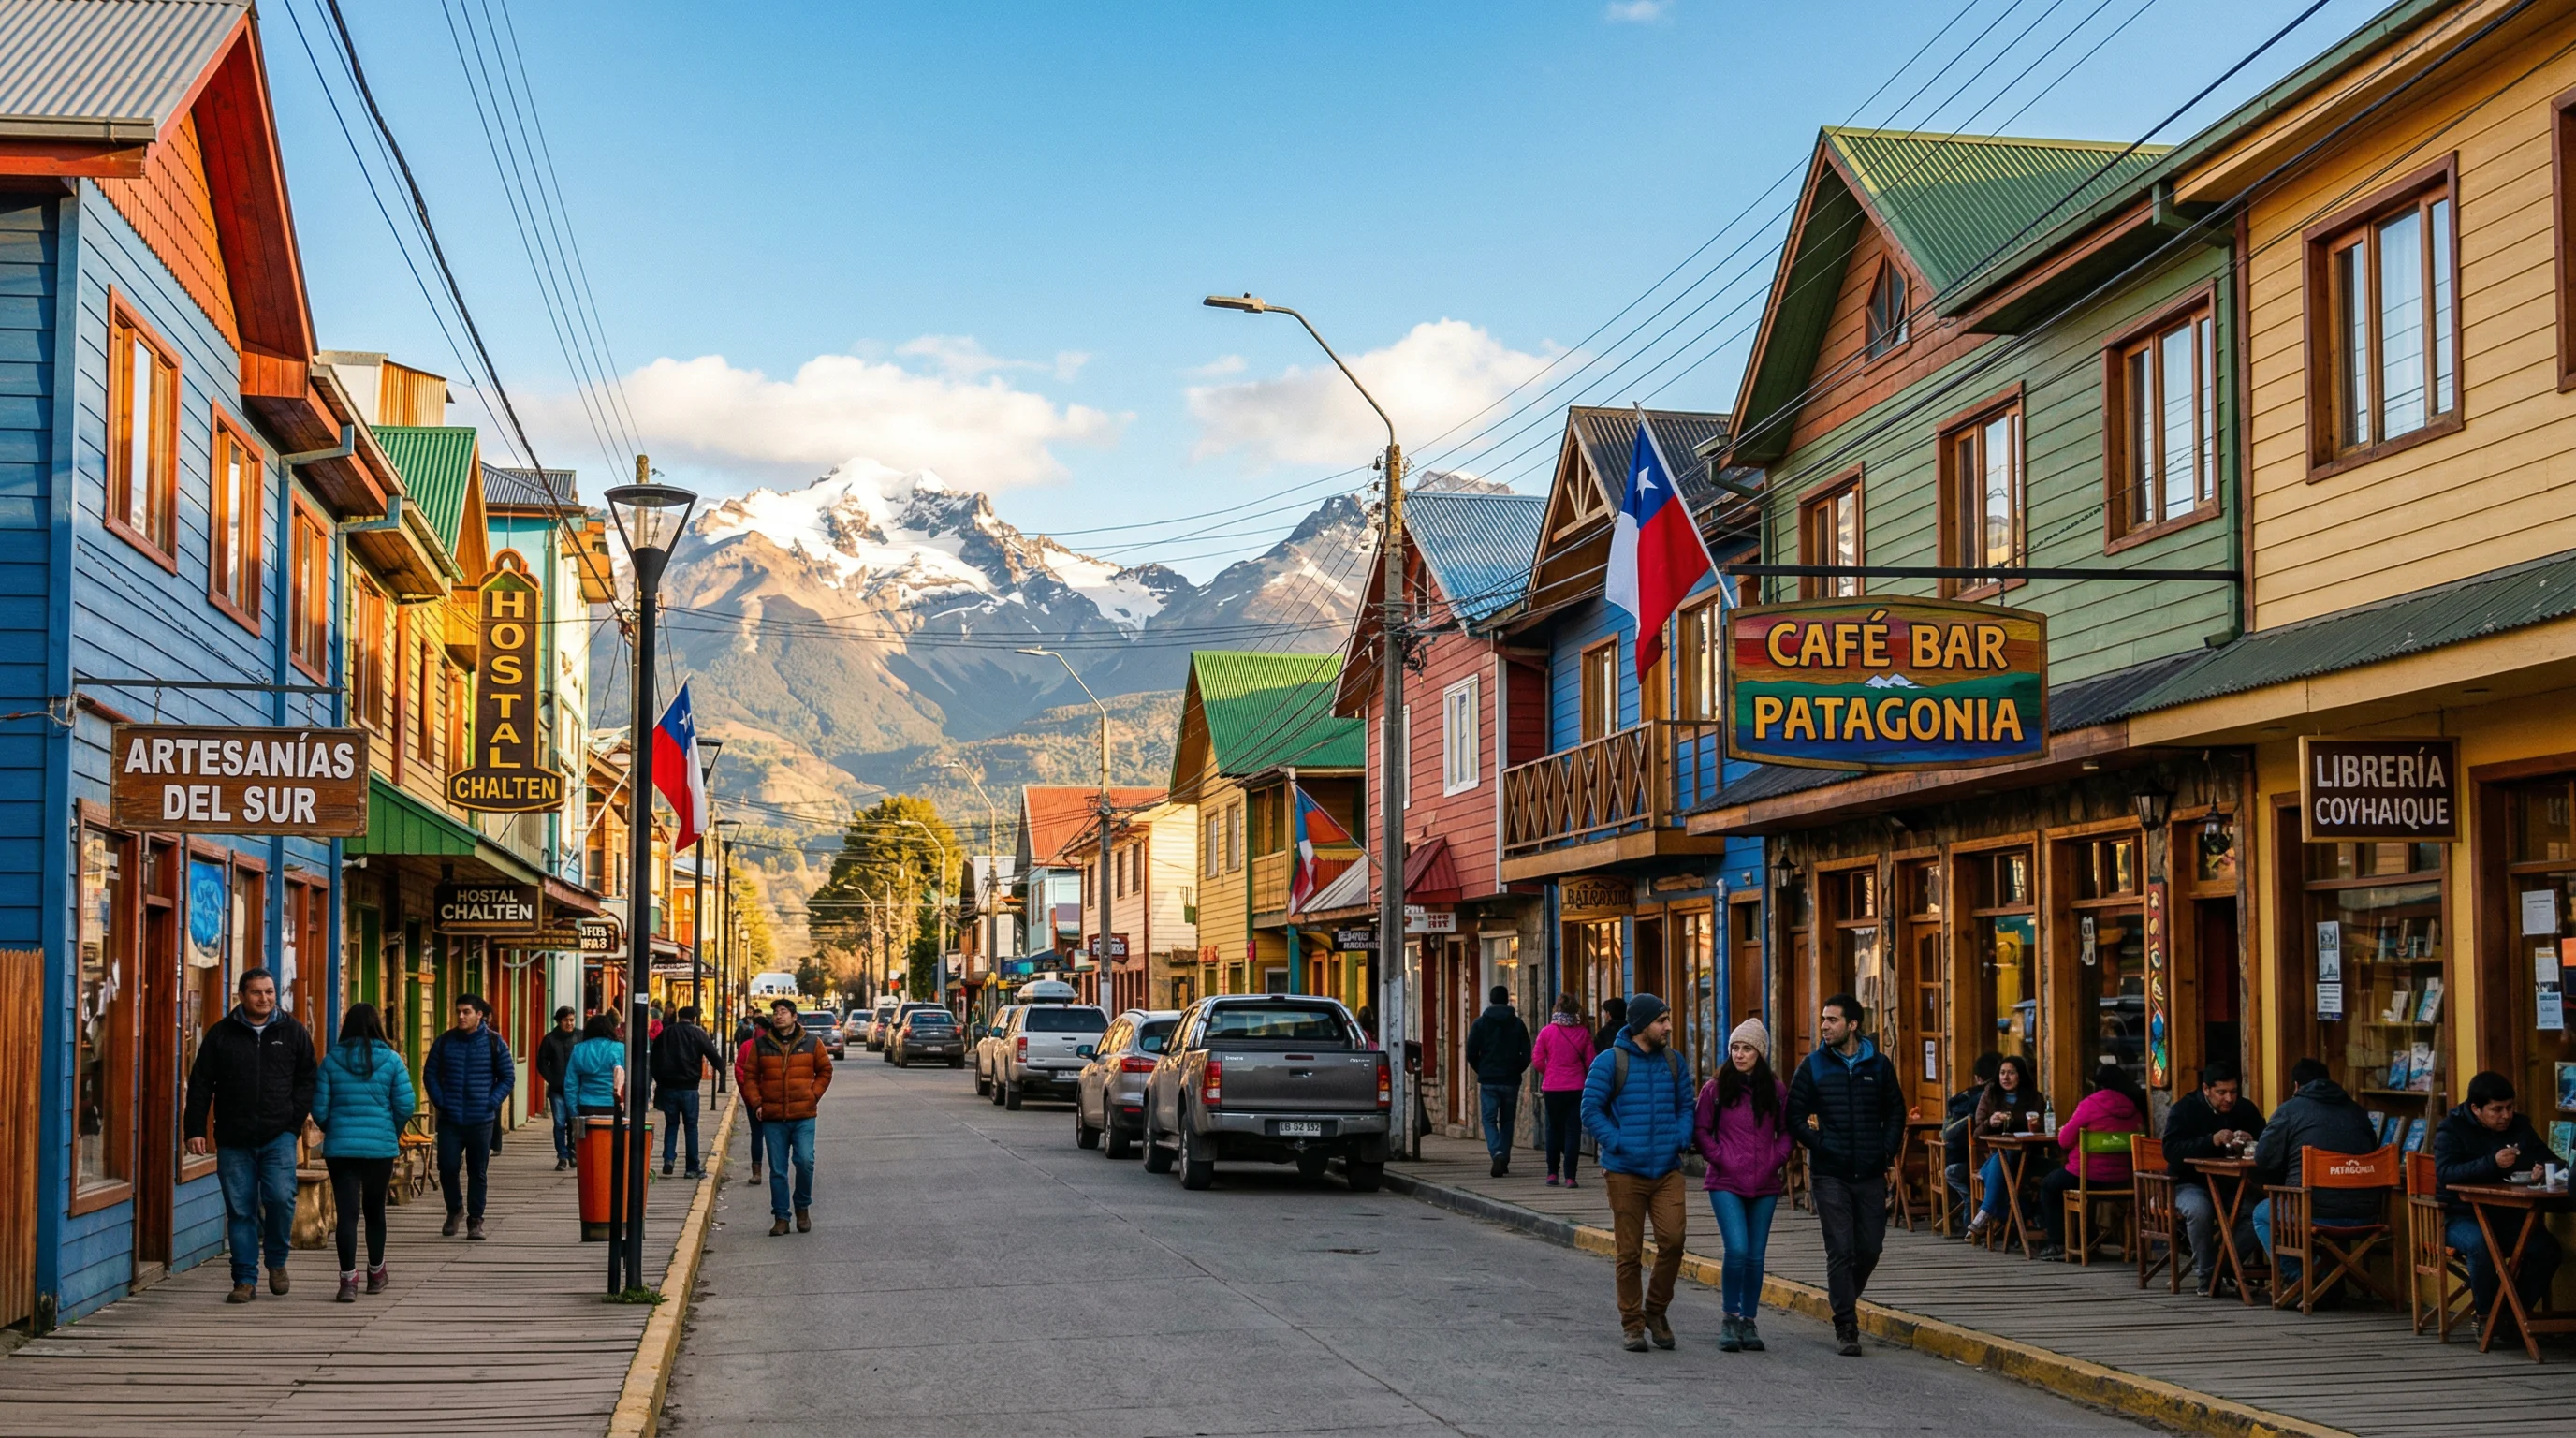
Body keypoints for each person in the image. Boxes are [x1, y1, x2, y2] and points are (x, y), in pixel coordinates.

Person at [182, 968, 318, 1304]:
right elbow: (200, 1084)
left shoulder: (293, 1032)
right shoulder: (221, 1035)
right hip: (233, 1138)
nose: (265, 999)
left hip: (278, 1136)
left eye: (270, 992)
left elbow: (307, 1081)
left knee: (281, 1199)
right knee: (240, 1209)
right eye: (257, 993)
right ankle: (244, 1279)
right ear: (242, 996)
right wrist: (194, 1129)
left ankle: (276, 1261)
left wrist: (292, 1122)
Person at [1785, 992, 1905, 1357]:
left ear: (1852, 1025)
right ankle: (1846, 1325)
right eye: (1823, 1019)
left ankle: (1843, 1298)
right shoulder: (1814, 1066)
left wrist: (1885, 1150)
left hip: (1870, 1172)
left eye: (1832, 1020)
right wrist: (1821, 1145)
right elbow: (1792, 1115)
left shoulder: (1879, 1065)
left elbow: (1896, 1111)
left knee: (1869, 1248)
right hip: (1830, 1173)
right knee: (1841, 1247)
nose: (1824, 1026)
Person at [1580, 993, 1692, 1353]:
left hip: (1666, 1170)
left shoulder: (1674, 1062)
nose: (1669, 1027)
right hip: (1625, 1172)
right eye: (1662, 1021)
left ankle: (1656, 1310)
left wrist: (1680, 1136)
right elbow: (1590, 1109)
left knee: (1673, 1242)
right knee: (1628, 1252)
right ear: (1643, 1024)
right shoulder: (1609, 1062)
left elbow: (1686, 1106)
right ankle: (1633, 1324)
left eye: (1668, 1019)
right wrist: (1617, 1142)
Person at [2432, 1071, 2569, 1330]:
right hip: (2461, 1215)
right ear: (2476, 1109)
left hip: (2510, 1215)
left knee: (2546, 1249)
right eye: (2497, 1109)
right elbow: (2446, 1173)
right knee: (2481, 1246)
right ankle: (2488, 1319)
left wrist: (2543, 1169)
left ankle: (2507, 1315)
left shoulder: (2520, 1126)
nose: (2506, 1115)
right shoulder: (2451, 1129)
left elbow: (2553, 1159)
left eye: (2509, 1107)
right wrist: (2491, 1163)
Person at [1694, 1017, 1793, 1354]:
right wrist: (1721, 1157)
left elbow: (1788, 1131)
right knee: (1736, 1249)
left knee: (1755, 1256)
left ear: (1760, 1053)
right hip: (1725, 1180)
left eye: (1746, 1048)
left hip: (1764, 1182)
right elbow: (1702, 1130)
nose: (1739, 1054)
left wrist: (1774, 1159)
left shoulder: (1776, 1091)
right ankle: (1729, 1318)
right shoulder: (1716, 1089)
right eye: (1735, 1048)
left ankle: (1749, 1321)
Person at [309, 1003, 416, 1302]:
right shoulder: (393, 1061)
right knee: (374, 1212)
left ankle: (347, 1281)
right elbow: (405, 1105)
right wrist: (390, 1132)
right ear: (377, 1025)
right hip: (379, 1148)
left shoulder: (331, 1061)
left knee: (347, 1214)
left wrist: (337, 1128)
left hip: (340, 1150)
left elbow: (318, 1109)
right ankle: (376, 1273)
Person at [2251, 1057, 2382, 1299]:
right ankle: (2330, 1280)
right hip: (2367, 1214)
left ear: (2296, 1086)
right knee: (2314, 1205)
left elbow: (2263, 1158)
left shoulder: (2289, 1110)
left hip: (2314, 1213)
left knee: (2262, 1214)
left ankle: (2306, 1278)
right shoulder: (2357, 1110)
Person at [2160, 1061, 2266, 1294]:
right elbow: (2171, 1151)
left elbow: (2268, 1142)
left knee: (2259, 1212)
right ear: (2206, 1089)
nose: (2229, 1098)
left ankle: (2222, 1269)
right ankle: (2207, 1279)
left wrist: (2252, 1141)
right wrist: (2211, 1140)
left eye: (2234, 1092)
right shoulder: (2185, 1109)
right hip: (2188, 1184)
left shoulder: (2245, 1109)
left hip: (2230, 1184)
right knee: (2200, 1211)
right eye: (2221, 1092)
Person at [735, 997, 833, 1236]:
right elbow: (749, 1077)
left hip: (803, 1116)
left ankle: (802, 1207)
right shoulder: (761, 1045)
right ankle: (781, 1216)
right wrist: (757, 1102)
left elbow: (825, 1071)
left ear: (794, 1017)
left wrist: (812, 1095)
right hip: (773, 1117)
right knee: (778, 1170)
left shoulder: (812, 1043)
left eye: (783, 1012)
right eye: (776, 1012)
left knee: (805, 1161)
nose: (778, 1016)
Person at [422, 993, 515, 1240]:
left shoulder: (495, 1043)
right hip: (451, 1118)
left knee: (478, 1171)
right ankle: (455, 1210)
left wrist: (491, 1102)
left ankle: (476, 1220)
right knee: (447, 1167)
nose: (461, 1016)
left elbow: (507, 1077)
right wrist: (440, 1101)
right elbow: (430, 1073)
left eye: (466, 1012)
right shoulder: (445, 1042)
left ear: (479, 1015)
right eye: (458, 1012)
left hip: (481, 1119)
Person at [2035, 1063, 2147, 1256]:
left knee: (2048, 1186)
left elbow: (2063, 1141)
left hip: (2086, 1175)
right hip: (2121, 1179)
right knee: (2070, 1188)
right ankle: (2091, 1241)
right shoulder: (2134, 1109)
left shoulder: (2090, 1104)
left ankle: (2058, 1243)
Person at [1962, 1054, 2048, 1242]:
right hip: (1995, 1157)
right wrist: (1990, 1122)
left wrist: (2035, 1126)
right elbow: (1977, 1132)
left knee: (2006, 1156)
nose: (2005, 1078)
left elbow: (2041, 1131)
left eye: (2011, 1073)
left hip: (2027, 1158)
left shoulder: (2034, 1097)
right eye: (2002, 1073)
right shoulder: (1990, 1094)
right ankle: (2019, 1214)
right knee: (2003, 1156)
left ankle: (1985, 1214)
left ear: (2021, 1076)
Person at [1462, 985, 1532, 1178]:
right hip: (1510, 1080)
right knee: (1508, 1120)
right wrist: (1516, 1069)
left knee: (1489, 1119)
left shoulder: (1480, 1023)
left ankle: (1497, 1152)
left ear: (1491, 1000)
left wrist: (1482, 1070)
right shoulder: (1517, 1024)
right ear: (1507, 1000)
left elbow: (1470, 1052)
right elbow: (1527, 1054)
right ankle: (1504, 1157)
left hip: (1489, 1080)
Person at [1530, 994, 1597, 1187]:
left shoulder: (1546, 1032)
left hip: (1552, 1088)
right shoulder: (1583, 1033)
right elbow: (1591, 1062)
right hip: (1576, 1087)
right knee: (1572, 1131)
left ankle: (1552, 1173)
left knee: (1553, 1130)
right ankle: (1570, 1177)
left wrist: (1549, 1071)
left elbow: (1537, 1060)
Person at [651, 1005, 725, 1178]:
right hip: (690, 1089)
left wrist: (660, 1080)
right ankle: (692, 1168)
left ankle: (668, 1159)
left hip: (668, 1088)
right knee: (691, 1127)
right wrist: (722, 1069)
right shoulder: (698, 1033)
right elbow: (713, 1055)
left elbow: (654, 1059)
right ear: (694, 1018)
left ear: (678, 1016)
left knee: (671, 1125)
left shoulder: (666, 1033)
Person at [1943, 1052, 2002, 1230]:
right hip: (1979, 1161)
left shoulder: (1963, 1098)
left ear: (1977, 1077)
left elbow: (1945, 1135)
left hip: (1957, 1161)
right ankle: (1977, 1211)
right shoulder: (1992, 1099)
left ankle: (1969, 1208)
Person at [534, 1007, 580, 1172]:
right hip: (557, 1089)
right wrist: (552, 1079)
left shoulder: (580, 1037)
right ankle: (562, 1156)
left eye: (572, 1020)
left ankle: (573, 1151)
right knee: (560, 1123)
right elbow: (541, 1062)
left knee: (574, 1123)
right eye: (566, 1020)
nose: (569, 1023)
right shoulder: (550, 1039)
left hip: (576, 1089)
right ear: (559, 1021)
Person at [566, 1014, 627, 1125]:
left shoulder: (579, 1049)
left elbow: (570, 1084)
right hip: (613, 1106)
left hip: (586, 1105)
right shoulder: (620, 1048)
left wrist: (573, 1112)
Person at [732, 1014, 766, 1183]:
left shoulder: (747, 1046)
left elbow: (740, 1072)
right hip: (772, 1099)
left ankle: (757, 1171)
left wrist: (749, 1096)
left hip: (753, 1099)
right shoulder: (776, 1047)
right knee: (776, 1137)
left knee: (757, 1134)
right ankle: (775, 1170)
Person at [1592, 996, 1628, 1062]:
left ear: (1608, 1014)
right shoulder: (1632, 1030)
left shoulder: (1602, 1034)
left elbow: (1598, 1057)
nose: (1603, 1015)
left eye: (1603, 1012)